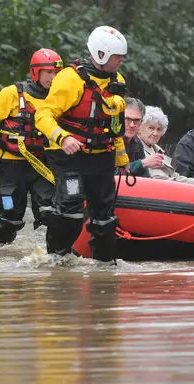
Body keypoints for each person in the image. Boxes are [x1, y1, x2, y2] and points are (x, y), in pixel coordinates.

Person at [35, 26, 130, 263]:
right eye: (117, 56)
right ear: (101, 54)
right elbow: (42, 115)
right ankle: (56, 261)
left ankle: (105, 267)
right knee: (71, 212)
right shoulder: (70, 79)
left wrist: (122, 159)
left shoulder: (117, 80)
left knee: (105, 219)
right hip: (70, 156)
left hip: (102, 157)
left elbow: (115, 127)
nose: (121, 60)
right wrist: (63, 137)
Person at [0, 48, 63, 246]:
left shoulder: (61, 97)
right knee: (10, 216)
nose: (53, 77)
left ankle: (54, 258)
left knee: (51, 213)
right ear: (35, 72)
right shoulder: (12, 94)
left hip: (44, 166)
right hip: (12, 166)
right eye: (48, 72)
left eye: (56, 73)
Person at [138, 106, 194, 187]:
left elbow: (176, 177)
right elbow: (157, 179)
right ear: (139, 128)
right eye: (151, 128)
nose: (155, 133)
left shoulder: (159, 152)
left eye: (159, 129)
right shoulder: (136, 148)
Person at [122, 98, 158, 177]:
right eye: (127, 119)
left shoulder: (137, 143)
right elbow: (112, 173)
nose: (132, 125)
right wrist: (142, 164)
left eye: (136, 120)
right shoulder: (109, 141)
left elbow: (146, 178)